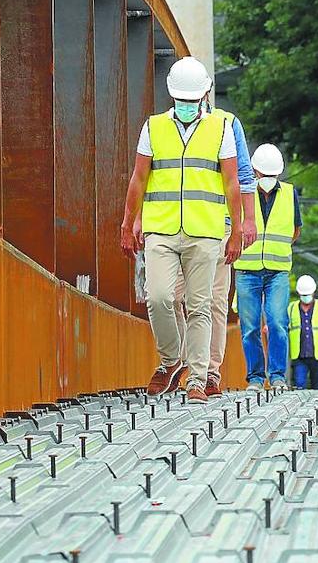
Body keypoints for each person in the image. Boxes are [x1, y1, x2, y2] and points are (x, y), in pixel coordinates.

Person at [120, 56, 243, 402]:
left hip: (204, 231)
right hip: (161, 230)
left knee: (199, 304)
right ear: (172, 97)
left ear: (205, 96)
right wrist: (128, 223)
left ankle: (198, 379)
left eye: (193, 101)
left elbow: (232, 182)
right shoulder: (154, 127)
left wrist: (235, 230)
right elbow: (139, 178)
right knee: (158, 297)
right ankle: (172, 359)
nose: (188, 106)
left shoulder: (221, 129)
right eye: (182, 101)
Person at [234, 143, 301, 391]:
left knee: (277, 324)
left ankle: (277, 376)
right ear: (254, 172)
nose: (267, 179)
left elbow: (295, 230)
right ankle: (255, 378)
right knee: (249, 327)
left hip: (277, 270)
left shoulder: (289, 194)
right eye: (264, 174)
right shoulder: (243, 192)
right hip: (247, 269)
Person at [204, 105, 258, 396]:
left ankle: (208, 372)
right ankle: (178, 360)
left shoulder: (228, 123)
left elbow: (244, 176)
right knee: (170, 296)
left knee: (214, 299)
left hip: (220, 224)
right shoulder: (163, 126)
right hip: (178, 226)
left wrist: (245, 222)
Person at [288, 274, 318, 390]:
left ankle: (317, 408)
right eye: (303, 295)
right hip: (299, 356)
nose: (306, 297)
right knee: (299, 386)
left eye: (308, 295)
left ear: (313, 293)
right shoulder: (291, 308)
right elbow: (285, 326)